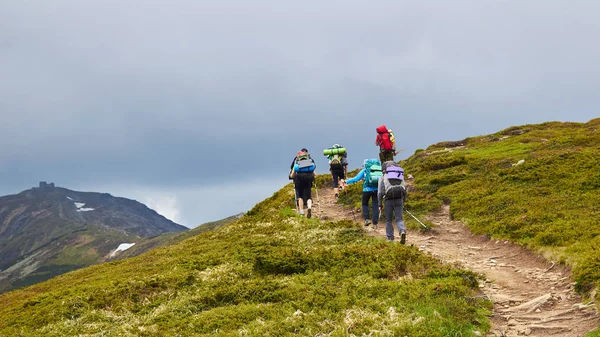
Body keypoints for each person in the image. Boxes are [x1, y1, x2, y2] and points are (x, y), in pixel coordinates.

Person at [345, 159, 382, 228]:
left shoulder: (365, 170)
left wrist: (346, 181)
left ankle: (367, 219)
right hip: (377, 190)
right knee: (375, 206)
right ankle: (375, 224)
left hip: (367, 190)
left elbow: (356, 179)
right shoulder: (379, 170)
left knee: (365, 204)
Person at [378, 161, 407, 244]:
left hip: (388, 200)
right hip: (399, 199)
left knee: (388, 220)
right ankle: (402, 231)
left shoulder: (383, 176)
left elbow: (380, 192)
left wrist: (380, 204)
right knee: (399, 218)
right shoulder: (400, 174)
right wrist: (403, 201)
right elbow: (404, 188)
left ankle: (390, 238)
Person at [289, 149, 316, 218]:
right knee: (309, 197)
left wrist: (291, 176)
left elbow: (292, 175)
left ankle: (301, 212)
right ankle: (309, 207)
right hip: (308, 180)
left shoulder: (296, 161)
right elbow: (314, 172)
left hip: (299, 180)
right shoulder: (309, 161)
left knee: (300, 196)